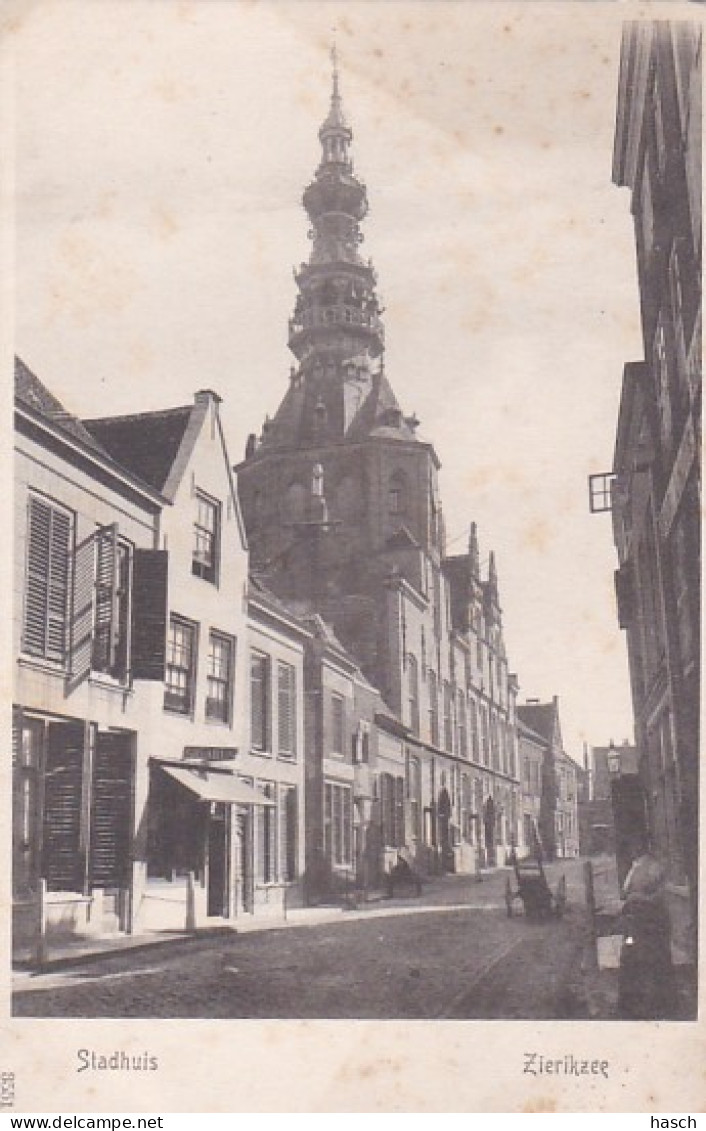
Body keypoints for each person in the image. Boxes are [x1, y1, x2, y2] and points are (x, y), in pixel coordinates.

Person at [618, 837, 676, 1019]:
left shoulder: (655, 867)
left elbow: (659, 895)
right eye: (632, 847)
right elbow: (624, 892)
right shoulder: (635, 866)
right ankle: (630, 1001)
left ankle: (662, 1001)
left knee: (655, 959)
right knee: (630, 955)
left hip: (652, 924)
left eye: (637, 846)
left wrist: (637, 898)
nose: (633, 850)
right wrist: (633, 899)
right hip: (634, 924)